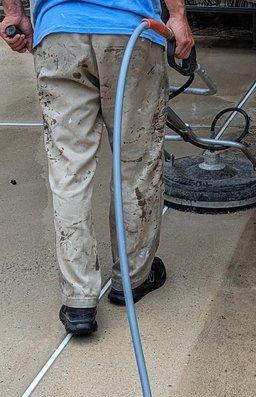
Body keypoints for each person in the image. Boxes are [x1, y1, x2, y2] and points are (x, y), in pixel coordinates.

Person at [0, 0, 194, 334]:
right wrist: (177, 15)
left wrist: (14, 13)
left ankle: (78, 299)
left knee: (68, 169)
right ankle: (133, 277)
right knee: (137, 163)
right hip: (129, 31)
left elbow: (15, 12)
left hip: (59, 32)